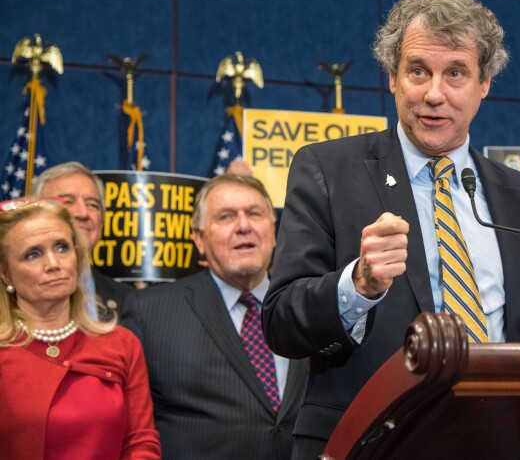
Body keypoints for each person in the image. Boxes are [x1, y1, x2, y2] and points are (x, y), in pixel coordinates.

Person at [263, 0, 520, 458]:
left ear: (484, 84)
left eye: (456, 73)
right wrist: (358, 285)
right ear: (392, 78)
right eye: (418, 71)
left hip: (501, 442)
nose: (435, 94)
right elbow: (282, 321)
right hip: (371, 442)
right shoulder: (327, 170)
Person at [122, 174, 308, 460]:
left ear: (273, 230)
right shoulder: (148, 312)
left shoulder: (307, 304)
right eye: (226, 216)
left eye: (254, 214)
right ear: (199, 238)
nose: (243, 226)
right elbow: (128, 427)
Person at [0, 197, 160, 459]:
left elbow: (140, 443)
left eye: (62, 248)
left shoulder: (122, 344)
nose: (53, 263)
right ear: (6, 273)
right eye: (33, 254)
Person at [31, 162, 134, 318]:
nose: (83, 213)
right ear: (37, 214)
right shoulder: (11, 296)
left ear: (102, 221)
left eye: (92, 204)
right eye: (68, 202)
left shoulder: (129, 300)